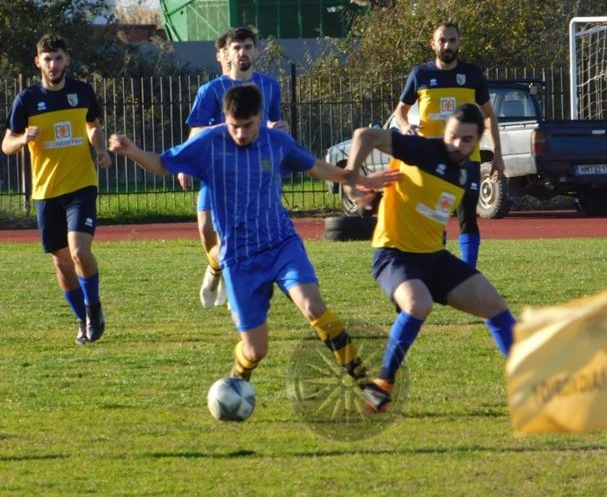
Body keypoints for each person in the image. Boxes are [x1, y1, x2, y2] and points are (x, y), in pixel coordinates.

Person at [108, 84, 398, 389]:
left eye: (248, 125)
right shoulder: (208, 144)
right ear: (225, 118)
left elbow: (316, 168)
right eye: (234, 126)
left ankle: (364, 382)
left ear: (260, 116)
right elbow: (162, 164)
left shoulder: (277, 143)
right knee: (256, 349)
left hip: (281, 244)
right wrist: (132, 151)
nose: (241, 133)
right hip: (239, 257)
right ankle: (238, 377)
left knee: (313, 306)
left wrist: (359, 179)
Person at [344, 102, 515, 413]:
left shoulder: (467, 172)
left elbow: (430, 208)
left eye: (466, 139)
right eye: (452, 136)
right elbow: (364, 136)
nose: (457, 144)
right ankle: (382, 383)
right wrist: (352, 179)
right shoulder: (423, 150)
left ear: (477, 141)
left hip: (434, 257)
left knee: (494, 305)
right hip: (394, 254)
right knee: (418, 303)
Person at [2, 33, 112, 345]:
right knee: (62, 263)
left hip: (81, 185)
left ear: (67, 60)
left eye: (58, 58)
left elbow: (92, 126)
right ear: (38, 62)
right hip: (46, 191)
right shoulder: (26, 100)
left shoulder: (82, 92)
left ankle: (94, 308)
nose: (53, 64)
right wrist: (23, 138)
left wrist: (101, 149)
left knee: (79, 251)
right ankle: (82, 319)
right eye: (48, 59)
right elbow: (6, 144)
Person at [182, 27, 289, 309]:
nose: (242, 52)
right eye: (237, 48)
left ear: (256, 51)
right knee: (206, 230)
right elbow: (196, 131)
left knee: (241, 235)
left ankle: (237, 287)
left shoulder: (269, 86)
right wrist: (185, 163)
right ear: (226, 54)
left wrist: (280, 128)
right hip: (217, 170)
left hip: (254, 173)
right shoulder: (211, 90)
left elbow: (275, 124)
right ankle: (214, 268)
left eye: (247, 47)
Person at [394, 22, 504, 269]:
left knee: (468, 217)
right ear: (432, 44)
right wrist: (405, 126)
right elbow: (400, 111)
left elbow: (488, 115)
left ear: (459, 43)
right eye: (442, 40)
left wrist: (497, 154)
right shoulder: (420, 75)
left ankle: (467, 272)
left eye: (452, 40)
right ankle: (435, 268)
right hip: (432, 160)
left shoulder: (472, 75)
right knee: (434, 219)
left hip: (468, 159)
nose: (447, 45)